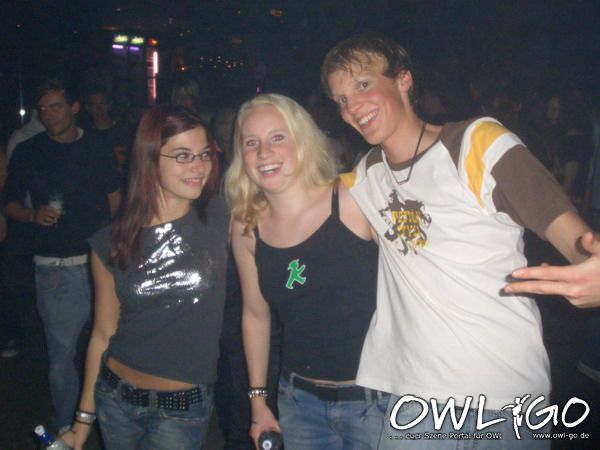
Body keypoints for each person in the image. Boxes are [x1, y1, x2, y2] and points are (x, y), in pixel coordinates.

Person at [322, 33, 595, 449]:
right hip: (416, 401)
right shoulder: (365, 175)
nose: (353, 106)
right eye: (341, 99)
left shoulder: (474, 143)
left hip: (506, 399)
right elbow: (301, 201)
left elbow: (572, 234)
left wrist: (590, 270)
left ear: (403, 80)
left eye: (363, 84)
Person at [59, 104, 226, 449]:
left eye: (204, 154)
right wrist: (82, 421)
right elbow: (102, 334)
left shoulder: (223, 218)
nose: (199, 167)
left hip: (181, 410)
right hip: (115, 398)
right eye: (183, 155)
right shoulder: (112, 240)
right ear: (150, 159)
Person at [225, 93, 387, 450]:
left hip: (378, 403)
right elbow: (255, 315)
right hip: (299, 406)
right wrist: (258, 402)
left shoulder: (352, 200)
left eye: (277, 137)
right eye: (251, 143)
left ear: (302, 140)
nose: (264, 152)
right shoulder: (246, 225)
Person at [3, 78, 121, 431]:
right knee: (62, 356)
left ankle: (111, 421)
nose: (48, 115)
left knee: (111, 348)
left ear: (74, 108)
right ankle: (68, 428)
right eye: (43, 109)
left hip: (99, 264)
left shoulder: (97, 145)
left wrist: (119, 246)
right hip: (55, 267)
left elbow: (115, 199)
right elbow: (8, 203)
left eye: (55, 107)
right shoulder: (29, 151)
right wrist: (32, 214)